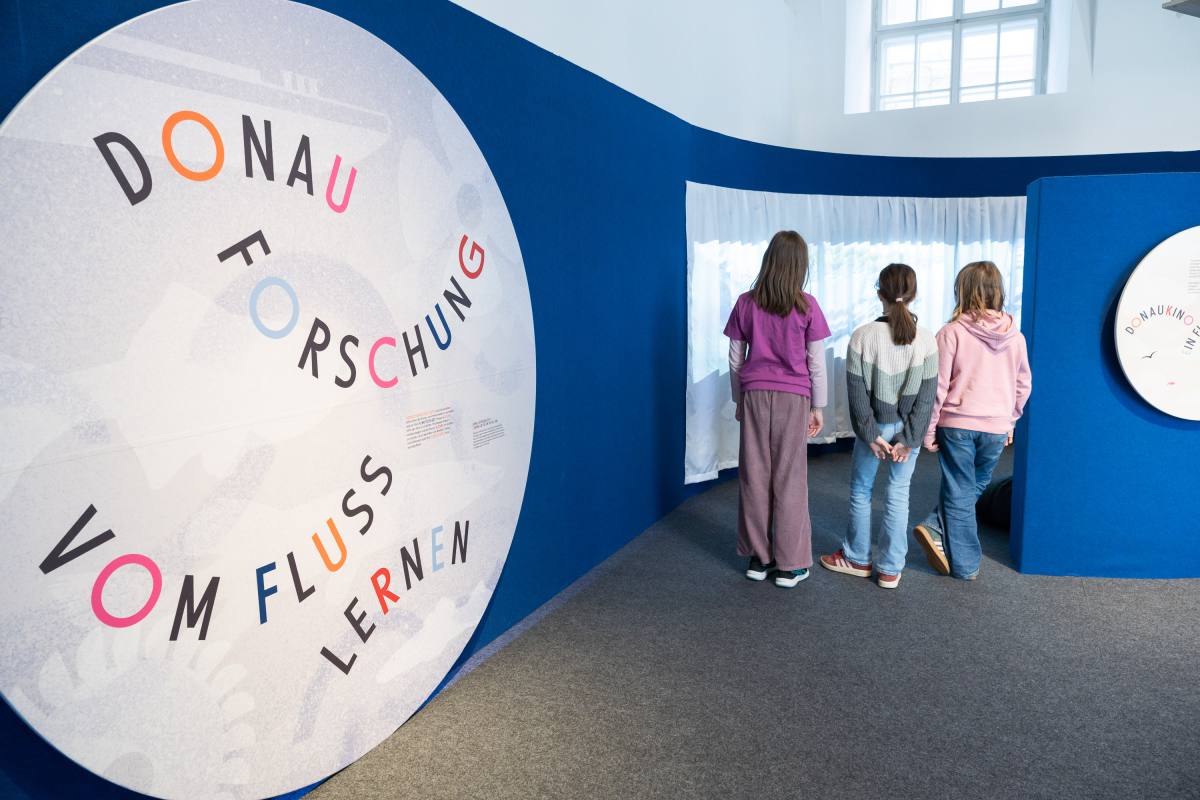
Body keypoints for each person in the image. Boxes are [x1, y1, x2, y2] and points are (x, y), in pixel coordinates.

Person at [819, 264, 938, 589]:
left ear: (879, 294)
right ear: (913, 294)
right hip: (906, 432)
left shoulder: (862, 336)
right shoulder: (927, 340)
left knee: (861, 490)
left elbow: (856, 393)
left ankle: (857, 559)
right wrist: (910, 439)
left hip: (873, 428)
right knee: (899, 492)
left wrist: (870, 434)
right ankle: (889, 569)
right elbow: (926, 398)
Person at [912, 261, 1032, 581]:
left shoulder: (951, 333)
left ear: (962, 291)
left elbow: (937, 386)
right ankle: (939, 532)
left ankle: (961, 561)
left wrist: (929, 429)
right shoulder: (1016, 338)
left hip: (957, 424)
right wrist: (1010, 421)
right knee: (970, 486)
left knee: (960, 488)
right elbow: (1023, 386)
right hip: (995, 427)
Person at [725, 230, 830, 588]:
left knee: (754, 475)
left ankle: (759, 558)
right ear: (800, 266)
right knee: (790, 477)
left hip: (754, 393)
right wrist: (818, 406)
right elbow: (816, 363)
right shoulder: (807, 305)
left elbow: (735, 359)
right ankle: (790, 565)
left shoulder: (745, 302)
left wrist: (739, 400)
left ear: (768, 260)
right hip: (794, 397)